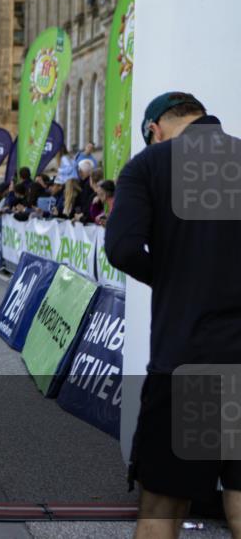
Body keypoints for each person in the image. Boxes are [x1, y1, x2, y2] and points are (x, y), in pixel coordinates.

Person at [105, 92, 241, 538]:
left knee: (163, 505)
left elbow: (122, 248)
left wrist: (172, 278)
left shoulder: (150, 165)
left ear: (154, 130)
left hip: (191, 357)